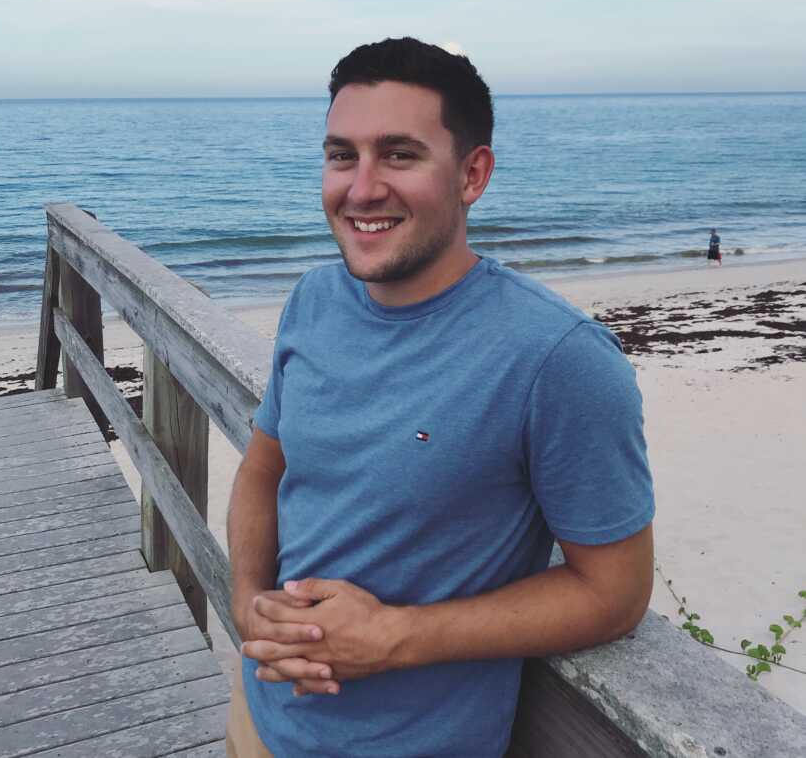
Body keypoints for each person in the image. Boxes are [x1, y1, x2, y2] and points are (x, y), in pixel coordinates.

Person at [226, 37, 655, 758]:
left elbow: (615, 593)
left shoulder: (556, 359)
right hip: (259, 718)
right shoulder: (313, 299)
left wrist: (396, 638)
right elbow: (265, 470)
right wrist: (247, 604)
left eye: (399, 154)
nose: (361, 188)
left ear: (472, 173)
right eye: (341, 155)